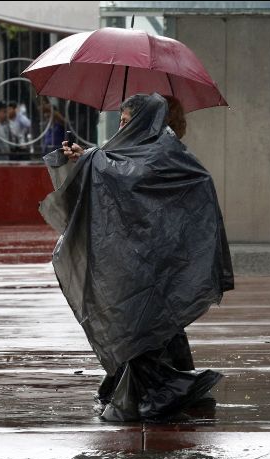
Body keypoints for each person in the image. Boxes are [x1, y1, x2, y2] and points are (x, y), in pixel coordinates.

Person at [42, 93, 233, 421]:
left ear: (145, 122)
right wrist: (84, 157)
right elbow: (118, 170)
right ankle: (166, 381)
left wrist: (89, 158)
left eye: (128, 122)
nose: (122, 127)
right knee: (145, 323)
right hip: (133, 258)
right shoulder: (134, 151)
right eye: (120, 121)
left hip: (155, 260)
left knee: (144, 323)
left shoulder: (164, 151)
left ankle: (163, 387)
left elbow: (132, 175)